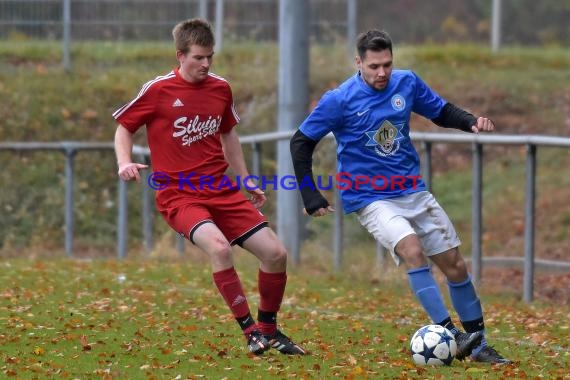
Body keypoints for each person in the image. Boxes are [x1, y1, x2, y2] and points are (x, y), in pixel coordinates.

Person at [290, 29, 510, 364]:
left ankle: (479, 346)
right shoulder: (340, 99)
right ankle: (450, 334)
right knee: (412, 249)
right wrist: (309, 193)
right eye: (374, 66)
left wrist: (469, 121)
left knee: (454, 265)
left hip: (412, 190)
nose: (382, 73)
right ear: (358, 63)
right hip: (369, 197)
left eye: (387, 65)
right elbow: (301, 141)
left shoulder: (406, 83)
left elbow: (439, 110)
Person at [113, 18, 304, 356]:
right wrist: (124, 161)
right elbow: (124, 127)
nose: (205, 64)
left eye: (210, 57)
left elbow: (228, 132)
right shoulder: (158, 90)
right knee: (219, 248)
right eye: (199, 58)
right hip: (179, 194)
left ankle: (269, 330)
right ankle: (250, 333)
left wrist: (245, 178)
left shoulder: (220, 88)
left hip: (221, 189)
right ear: (180, 55)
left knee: (276, 254)